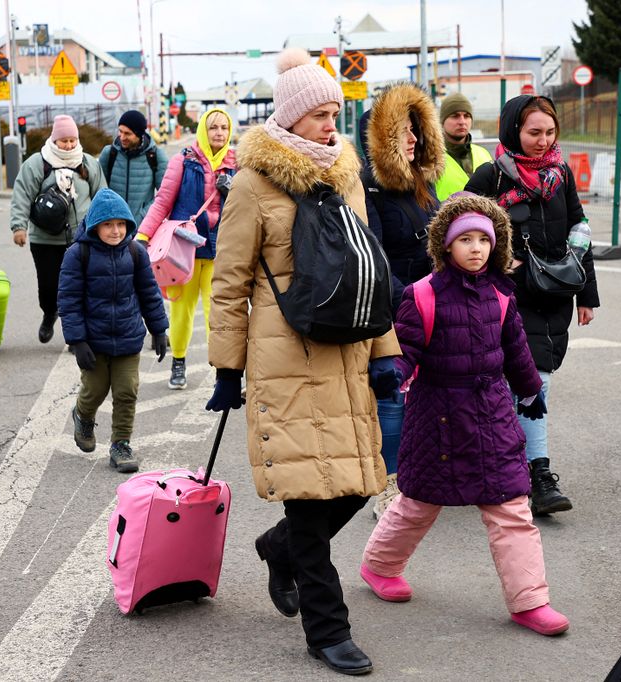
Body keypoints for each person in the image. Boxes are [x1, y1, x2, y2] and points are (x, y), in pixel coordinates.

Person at [205, 48, 402, 676]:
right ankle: (327, 630)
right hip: (282, 351)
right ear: (290, 119)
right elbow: (230, 280)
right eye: (318, 114)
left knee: (355, 482)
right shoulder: (252, 183)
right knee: (306, 497)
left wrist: (384, 353)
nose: (330, 124)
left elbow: (367, 269)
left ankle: (278, 549)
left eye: (334, 113)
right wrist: (226, 368)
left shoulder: (345, 172)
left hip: (344, 350)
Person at [359, 193, 570, 637]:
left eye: (483, 240)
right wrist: (388, 376)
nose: (476, 248)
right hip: (436, 418)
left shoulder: (501, 295)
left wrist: (531, 391)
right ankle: (379, 566)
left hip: (492, 415)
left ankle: (531, 600)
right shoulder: (421, 295)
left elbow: (516, 350)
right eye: (465, 240)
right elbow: (405, 350)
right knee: (418, 503)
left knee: (512, 507)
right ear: (445, 246)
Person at [464, 95, 600, 516]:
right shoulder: (491, 177)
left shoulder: (561, 174)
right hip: (505, 299)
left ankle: (506, 466)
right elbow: (458, 229)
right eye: (533, 132)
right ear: (513, 132)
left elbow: (580, 229)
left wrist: (587, 294)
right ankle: (537, 475)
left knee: (528, 383)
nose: (543, 141)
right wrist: (497, 259)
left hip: (554, 295)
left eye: (549, 132)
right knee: (531, 384)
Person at [359, 82, 446, 521]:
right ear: (382, 140)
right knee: (393, 397)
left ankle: (424, 474)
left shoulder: (422, 185)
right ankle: (389, 484)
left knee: (430, 395)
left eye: (417, 130)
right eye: (404, 132)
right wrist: (411, 299)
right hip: (392, 310)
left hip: (430, 306)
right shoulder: (365, 187)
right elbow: (371, 253)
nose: (414, 139)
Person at [59, 188, 169, 473]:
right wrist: (77, 340)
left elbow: (149, 292)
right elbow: (68, 300)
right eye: (108, 224)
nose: (116, 230)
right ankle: (82, 416)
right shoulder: (77, 254)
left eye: (121, 224)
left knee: (126, 391)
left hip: (128, 336)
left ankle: (121, 444)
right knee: (94, 391)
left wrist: (158, 329)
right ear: (95, 225)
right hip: (93, 340)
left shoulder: (135, 252)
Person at [137, 108, 237, 390]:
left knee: (218, 314)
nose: (219, 133)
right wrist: (143, 235)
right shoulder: (184, 161)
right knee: (181, 312)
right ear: (204, 130)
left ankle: (222, 369)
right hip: (185, 251)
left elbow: (252, 205)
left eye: (224, 128)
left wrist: (234, 189)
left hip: (222, 250)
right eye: (213, 127)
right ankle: (178, 360)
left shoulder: (238, 163)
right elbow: (163, 202)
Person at [10, 115, 106, 344]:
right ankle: (49, 313)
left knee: (80, 287)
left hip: (81, 238)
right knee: (49, 286)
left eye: (73, 140)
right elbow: (22, 194)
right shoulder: (37, 163)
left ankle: (76, 335)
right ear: (54, 139)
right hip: (45, 239)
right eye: (64, 141)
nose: (69, 145)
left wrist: (103, 228)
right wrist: (18, 227)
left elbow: (102, 195)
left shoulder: (88, 163)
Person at [98, 110, 168, 226]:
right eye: (120, 131)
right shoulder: (109, 153)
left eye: (128, 133)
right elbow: (99, 190)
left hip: (142, 227)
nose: (122, 137)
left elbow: (164, 195)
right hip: (112, 225)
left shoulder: (155, 156)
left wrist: (144, 214)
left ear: (139, 134)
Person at [435, 92, 493, 201]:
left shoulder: (483, 153)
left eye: (466, 116)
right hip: (445, 216)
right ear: (442, 121)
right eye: (455, 116)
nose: (462, 122)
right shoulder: (431, 158)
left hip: (483, 217)